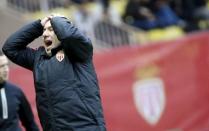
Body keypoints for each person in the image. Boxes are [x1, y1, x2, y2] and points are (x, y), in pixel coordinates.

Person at [2, 14, 106, 131]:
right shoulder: (38, 58)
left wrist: (57, 18)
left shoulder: (79, 50)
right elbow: (10, 48)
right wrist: (38, 25)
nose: (45, 34)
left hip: (85, 127)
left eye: (51, 29)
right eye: (44, 31)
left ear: (60, 32)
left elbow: (68, 35)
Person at [0, 50, 39, 131]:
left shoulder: (16, 91)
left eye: (7, 65)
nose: (6, 69)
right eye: (1, 66)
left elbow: (30, 123)